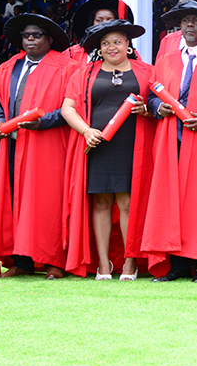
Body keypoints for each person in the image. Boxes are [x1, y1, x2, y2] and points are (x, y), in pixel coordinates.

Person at [61, 19, 154, 280]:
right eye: (105, 43)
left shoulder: (146, 71)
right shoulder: (84, 73)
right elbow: (67, 108)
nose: (111, 47)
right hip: (97, 144)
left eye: (116, 42)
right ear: (99, 48)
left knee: (127, 203)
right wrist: (86, 131)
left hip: (132, 144)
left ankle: (129, 263)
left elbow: (157, 103)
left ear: (127, 44)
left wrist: (146, 110)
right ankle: (103, 265)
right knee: (100, 202)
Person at [141, 1, 197, 282]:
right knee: (171, 199)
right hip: (170, 138)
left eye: (196, 20)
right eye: (185, 20)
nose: (189, 25)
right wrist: (157, 108)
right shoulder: (165, 61)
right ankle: (174, 264)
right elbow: (151, 95)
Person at [0, 14, 73, 279]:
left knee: (47, 201)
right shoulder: (8, 66)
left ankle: (53, 262)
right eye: (27, 35)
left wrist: (45, 122)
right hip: (12, 145)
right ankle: (21, 260)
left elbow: (71, 107)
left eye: (37, 35)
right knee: (15, 200)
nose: (31, 39)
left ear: (49, 39)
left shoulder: (65, 66)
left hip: (47, 143)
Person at [68, 0, 134, 65]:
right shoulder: (72, 53)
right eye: (99, 20)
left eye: (110, 20)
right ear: (92, 23)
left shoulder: (128, 51)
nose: (104, 24)